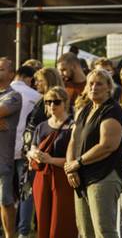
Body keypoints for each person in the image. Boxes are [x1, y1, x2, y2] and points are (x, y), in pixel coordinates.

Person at [64, 69, 122, 238]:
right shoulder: (84, 110)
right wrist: (71, 168)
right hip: (81, 176)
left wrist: (77, 162)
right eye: (90, 83)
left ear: (108, 87)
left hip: (104, 175)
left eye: (99, 83)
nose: (93, 87)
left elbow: (107, 146)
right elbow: (74, 140)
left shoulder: (112, 111)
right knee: (84, 232)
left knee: (104, 231)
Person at [27, 86, 77, 238]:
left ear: (65, 103)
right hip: (42, 178)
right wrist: (32, 154)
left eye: (56, 102)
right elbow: (31, 149)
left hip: (63, 178)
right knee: (42, 219)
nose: (51, 106)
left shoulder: (73, 126)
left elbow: (75, 159)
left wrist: (51, 160)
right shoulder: (41, 126)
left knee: (61, 220)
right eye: (48, 102)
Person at [9, 66, 40, 238]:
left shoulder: (4, 92)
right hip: (26, 149)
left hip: (5, 149)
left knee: (5, 192)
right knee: (25, 191)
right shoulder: (36, 96)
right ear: (29, 78)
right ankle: (23, 232)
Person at [0, 58, 22, 238]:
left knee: (5, 200)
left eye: (1, 69)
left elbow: (2, 111)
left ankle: (10, 236)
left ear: (11, 74)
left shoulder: (14, 96)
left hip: (3, 159)